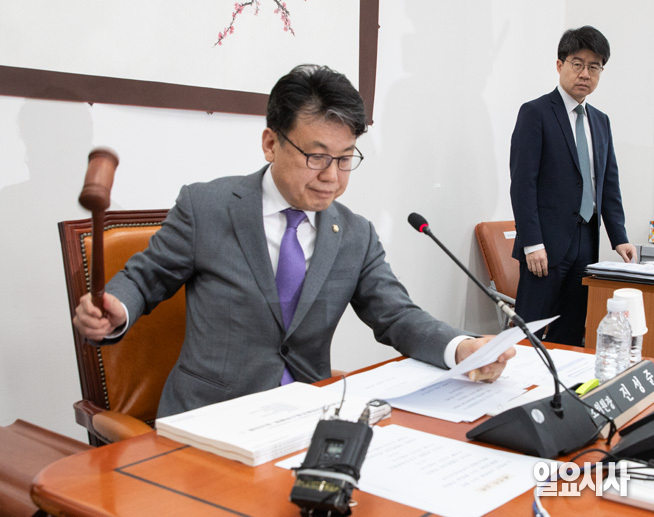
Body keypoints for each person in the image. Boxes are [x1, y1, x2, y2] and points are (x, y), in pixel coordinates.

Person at [74, 64, 514, 418]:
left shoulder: (355, 234)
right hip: (210, 420)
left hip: (306, 417)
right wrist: (117, 309)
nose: (331, 177)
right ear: (271, 143)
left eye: (345, 159)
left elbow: (397, 315)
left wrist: (461, 348)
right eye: (316, 156)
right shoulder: (206, 207)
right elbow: (145, 278)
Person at [510, 26, 636, 347]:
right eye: (577, 64)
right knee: (529, 334)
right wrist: (532, 243)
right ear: (559, 65)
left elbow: (608, 183)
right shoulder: (535, 113)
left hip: (586, 241)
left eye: (594, 67)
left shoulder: (600, 121)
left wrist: (619, 237)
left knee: (570, 333)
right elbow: (523, 184)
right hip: (544, 245)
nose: (585, 74)